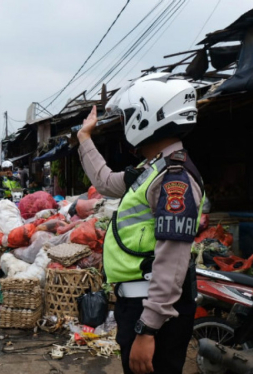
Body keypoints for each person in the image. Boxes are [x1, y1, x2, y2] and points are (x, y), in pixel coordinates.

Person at [77, 73, 204, 374]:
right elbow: (106, 182)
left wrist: (148, 330)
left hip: (152, 312)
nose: (125, 126)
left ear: (149, 116)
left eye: (128, 117)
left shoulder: (175, 178)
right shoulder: (152, 169)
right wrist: (84, 138)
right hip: (139, 305)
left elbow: (173, 259)